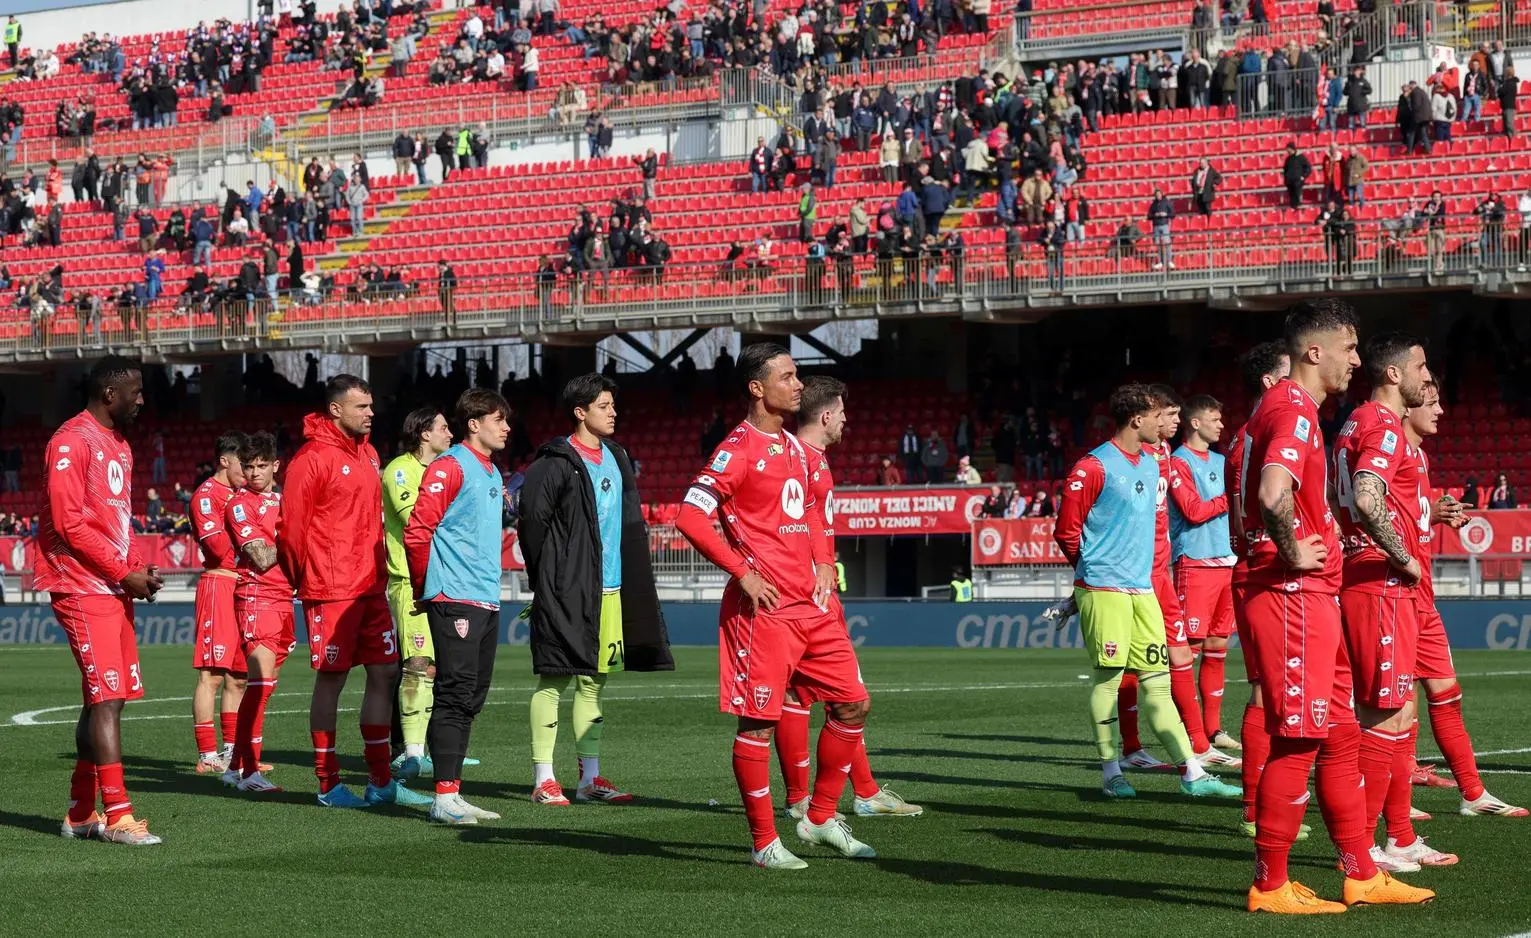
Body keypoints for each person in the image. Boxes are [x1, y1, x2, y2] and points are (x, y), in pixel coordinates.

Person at [1241, 300, 1432, 913]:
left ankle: (1360, 870)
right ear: (1314, 353)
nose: (1358, 359)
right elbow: (1273, 491)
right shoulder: (1293, 410)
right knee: (1298, 739)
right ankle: (1270, 885)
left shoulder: (1274, 412)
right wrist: (1293, 548)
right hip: (1293, 593)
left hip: (1313, 594)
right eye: (1350, 349)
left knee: (1343, 733)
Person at [675, 343, 874, 870]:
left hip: (811, 606)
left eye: (798, 376)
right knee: (757, 726)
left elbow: (812, 512)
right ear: (757, 388)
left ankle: (820, 816)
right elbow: (690, 519)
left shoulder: (796, 448)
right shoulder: (735, 451)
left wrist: (826, 562)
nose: (799, 386)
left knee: (853, 703)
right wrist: (741, 571)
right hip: (763, 614)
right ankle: (765, 842)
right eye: (788, 377)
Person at [1053, 383, 1232, 802]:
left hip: (1144, 590)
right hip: (1105, 590)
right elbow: (1066, 531)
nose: (1165, 423)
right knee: (1109, 680)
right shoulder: (1092, 467)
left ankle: (1191, 770)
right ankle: (1111, 770)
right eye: (1159, 416)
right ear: (1138, 419)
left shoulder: (1153, 466)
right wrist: (1092, 574)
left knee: (1157, 681)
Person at [1330, 333, 1458, 869]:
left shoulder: (1360, 423)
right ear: (1393, 375)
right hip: (1380, 581)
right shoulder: (1381, 424)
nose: (1427, 378)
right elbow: (1365, 496)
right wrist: (1404, 556)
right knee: (1383, 715)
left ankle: (1400, 836)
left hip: (1378, 583)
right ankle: (1364, 848)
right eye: (1421, 367)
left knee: (1400, 711)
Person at [518, 374, 672, 805]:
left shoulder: (617, 456)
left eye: (613, 405)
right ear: (580, 412)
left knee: (595, 683)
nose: (613, 412)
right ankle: (544, 778)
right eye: (604, 405)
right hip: (567, 590)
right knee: (554, 679)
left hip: (612, 589)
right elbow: (532, 526)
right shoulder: (553, 461)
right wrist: (548, 579)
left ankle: (590, 779)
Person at [276, 375, 428, 809]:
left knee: (384, 673)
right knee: (333, 679)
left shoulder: (368, 454)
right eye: (361, 406)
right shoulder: (311, 459)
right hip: (331, 588)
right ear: (335, 410)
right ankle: (327, 784)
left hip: (371, 585)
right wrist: (307, 578)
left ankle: (381, 781)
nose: (370, 413)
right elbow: (291, 531)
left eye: (371, 405)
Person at [773, 376, 921, 818]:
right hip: (806, 600)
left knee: (807, 698)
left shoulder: (812, 459)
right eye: (841, 411)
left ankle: (826, 797)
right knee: (844, 697)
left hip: (814, 595)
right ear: (825, 415)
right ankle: (823, 801)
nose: (846, 419)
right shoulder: (795, 459)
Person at [38, 356, 165, 845]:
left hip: (111, 586)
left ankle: (79, 812)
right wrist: (121, 572)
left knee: (104, 701)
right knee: (107, 698)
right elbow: (69, 524)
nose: (141, 399)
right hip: (79, 584)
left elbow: (118, 519)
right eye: (135, 390)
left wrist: (135, 566)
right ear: (110, 393)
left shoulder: (119, 444)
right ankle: (118, 817)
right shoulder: (70, 440)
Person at [1401, 383, 1526, 817]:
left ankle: (1473, 794)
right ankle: (1390, 801)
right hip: (1394, 595)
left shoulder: (1419, 455)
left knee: (1446, 692)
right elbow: (1367, 508)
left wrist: (1437, 512)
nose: (1440, 410)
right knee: (1393, 706)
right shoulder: (1389, 446)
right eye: (1431, 402)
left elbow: (1408, 512)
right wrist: (1427, 512)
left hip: (1423, 597)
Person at [402, 389, 513, 825]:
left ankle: (453, 792)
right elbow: (418, 531)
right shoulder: (449, 467)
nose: (506, 427)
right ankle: (442, 798)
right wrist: (424, 588)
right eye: (498, 419)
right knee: (454, 692)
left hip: (486, 596)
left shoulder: (491, 471)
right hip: (454, 596)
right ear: (474, 423)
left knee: (470, 696)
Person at [1222, 340, 1292, 839]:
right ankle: (1255, 809)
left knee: (1268, 691)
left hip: (1250, 566)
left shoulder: (1240, 440)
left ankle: (1259, 805)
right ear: (1270, 382)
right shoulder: (1262, 435)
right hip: (1266, 568)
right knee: (1268, 693)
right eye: (1287, 375)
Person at [382, 407, 453, 781]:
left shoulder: (443, 471)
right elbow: (416, 519)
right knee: (417, 665)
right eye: (443, 428)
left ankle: (430, 749)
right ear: (424, 433)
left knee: (439, 669)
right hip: (410, 580)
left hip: (444, 579)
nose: (450, 434)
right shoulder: (399, 470)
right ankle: (409, 753)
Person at [224, 433, 294, 794]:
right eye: (248, 466)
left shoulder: (284, 500)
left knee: (268, 686)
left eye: (261, 466)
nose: (253, 473)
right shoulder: (240, 505)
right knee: (260, 684)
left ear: (275, 466)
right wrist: (295, 534)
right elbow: (263, 558)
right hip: (256, 595)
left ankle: (235, 765)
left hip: (284, 598)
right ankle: (249, 772)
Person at [1168, 395, 1239, 753]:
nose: (1221, 425)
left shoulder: (1222, 461)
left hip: (1226, 562)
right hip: (1195, 563)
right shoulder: (1178, 462)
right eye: (1214, 419)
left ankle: (1212, 731)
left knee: (1217, 648)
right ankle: (1187, 733)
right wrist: (1232, 498)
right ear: (1195, 423)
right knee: (1188, 651)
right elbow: (1194, 511)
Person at [188, 432, 250, 774]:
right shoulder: (207, 496)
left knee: (239, 677)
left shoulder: (243, 496)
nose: (250, 471)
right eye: (245, 463)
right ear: (225, 460)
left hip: (245, 587)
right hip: (220, 584)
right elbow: (217, 548)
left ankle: (231, 752)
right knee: (211, 675)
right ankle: (207, 754)